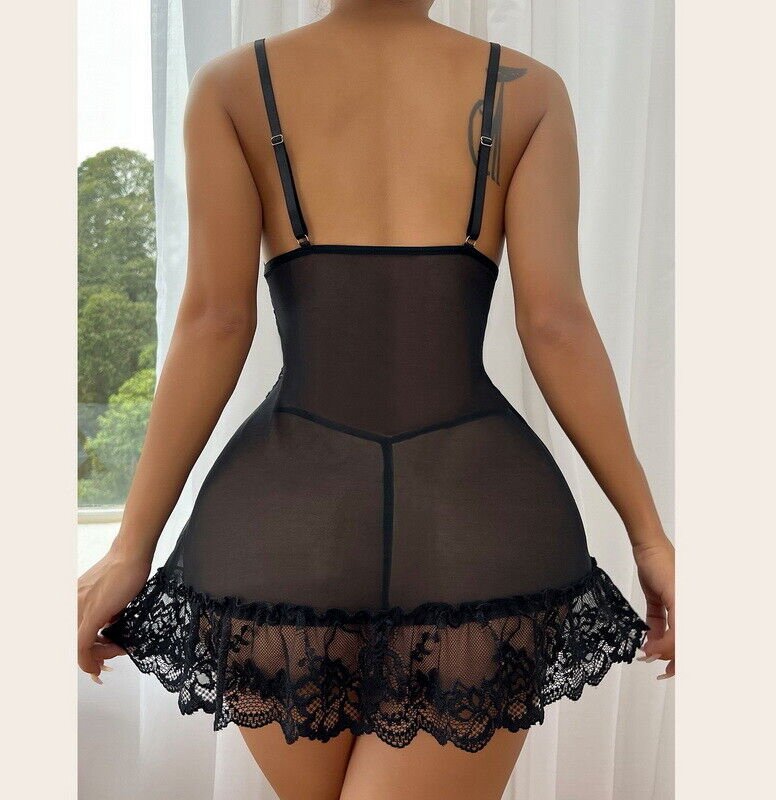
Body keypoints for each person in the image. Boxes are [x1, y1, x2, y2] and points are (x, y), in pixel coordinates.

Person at [77, 2, 674, 798]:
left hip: (281, 529)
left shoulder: (232, 87)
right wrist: (649, 539)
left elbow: (215, 321)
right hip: (475, 517)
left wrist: (132, 547)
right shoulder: (526, 91)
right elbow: (555, 324)